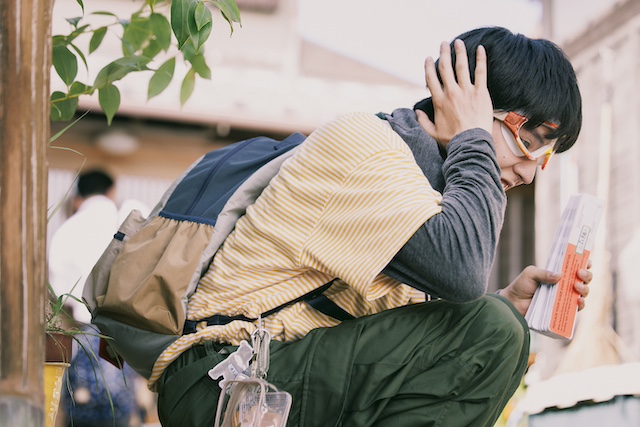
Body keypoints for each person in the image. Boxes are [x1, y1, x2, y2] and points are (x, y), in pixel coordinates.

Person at [155, 27, 592, 426]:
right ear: (468, 102)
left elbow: (405, 340)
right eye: (526, 143)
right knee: (493, 330)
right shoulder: (368, 146)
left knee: (497, 327)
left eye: (544, 157)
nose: (529, 172)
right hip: (222, 383)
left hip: (272, 379)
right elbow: (463, 275)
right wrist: (474, 139)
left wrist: (504, 300)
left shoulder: (427, 194)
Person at [48, 169, 145, 427]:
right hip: (117, 339)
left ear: (79, 195)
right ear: (111, 191)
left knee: (79, 410)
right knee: (119, 410)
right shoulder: (123, 223)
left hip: (81, 338)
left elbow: (60, 299)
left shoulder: (64, 233)